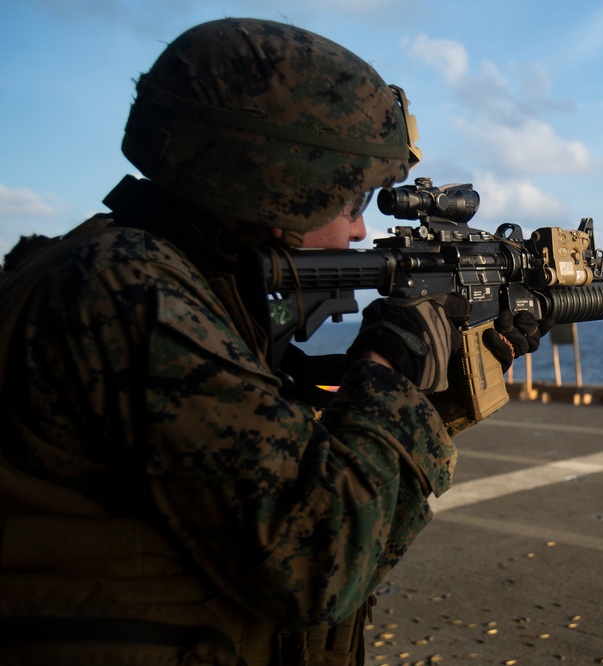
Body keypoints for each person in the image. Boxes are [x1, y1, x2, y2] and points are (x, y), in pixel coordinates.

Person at [0, 18, 547, 666]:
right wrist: (386, 372)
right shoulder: (128, 290)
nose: (358, 230)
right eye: (351, 200)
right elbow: (320, 557)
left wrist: (440, 386)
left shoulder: (151, 273)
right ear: (279, 183)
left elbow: (285, 457)